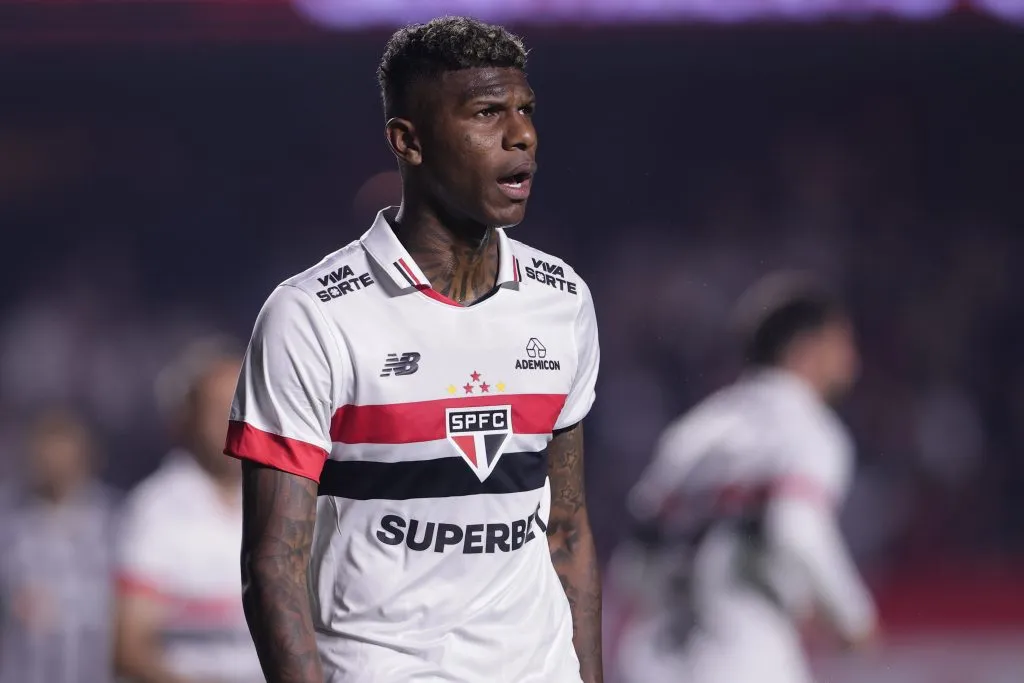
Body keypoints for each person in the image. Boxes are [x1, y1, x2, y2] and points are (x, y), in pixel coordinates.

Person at [223, 16, 603, 683]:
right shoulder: (311, 316)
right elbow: (273, 564)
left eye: (525, 110)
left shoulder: (562, 298)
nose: (522, 134)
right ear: (409, 140)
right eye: (487, 112)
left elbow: (566, 529)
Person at [609, 273, 878, 683]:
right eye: (841, 343)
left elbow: (633, 562)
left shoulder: (695, 431)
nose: (852, 360)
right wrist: (853, 617)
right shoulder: (808, 428)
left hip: (655, 656)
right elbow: (797, 528)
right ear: (805, 349)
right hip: (746, 653)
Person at [113, 338, 262, 683]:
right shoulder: (156, 509)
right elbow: (129, 647)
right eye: (217, 409)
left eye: (241, 407)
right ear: (187, 419)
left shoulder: (287, 497)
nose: (233, 422)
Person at [0, 409, 118, 683]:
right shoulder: (7, 519)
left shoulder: (116, 520)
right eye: (46, 452)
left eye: (65, 452)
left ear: (86, 456)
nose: (55, 463)